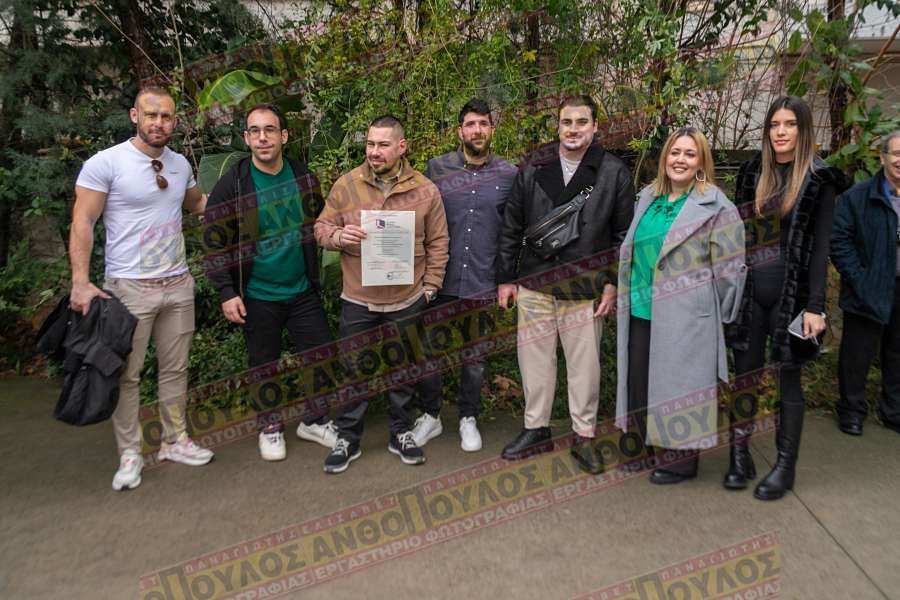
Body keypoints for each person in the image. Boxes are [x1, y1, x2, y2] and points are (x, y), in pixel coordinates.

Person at [70, 87, 213, 491]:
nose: (158, 123)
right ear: (135, 115)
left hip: (178, 284)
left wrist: (247, 199)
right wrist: (80, 281)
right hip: (128, 288)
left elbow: (198, 204)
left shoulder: (180, 163)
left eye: (166, 117)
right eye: (151, 115)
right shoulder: (106, 163)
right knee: (127, 375)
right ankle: (130, 453)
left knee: (175, 370)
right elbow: (83, 222)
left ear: (175, 121)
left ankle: (175, 441)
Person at [496, 95, 635, 474]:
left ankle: (584, 435)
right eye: (566, 122)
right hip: (535, 281)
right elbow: (512, 224)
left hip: (585, 286)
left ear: (595, 126)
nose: (573, 129)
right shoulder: (534, 165)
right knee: (534, 363)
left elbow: (623, 235)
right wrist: (506, 278)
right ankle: (535, 428)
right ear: (558, 126)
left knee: (584, 369)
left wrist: (612, 283)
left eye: (581, 122)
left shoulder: (613, 172)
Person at [726, 95, 849, 500]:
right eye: (774, 124)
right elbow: (738, 236)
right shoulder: (751, 172)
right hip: (751, 294)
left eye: (790, 125)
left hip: (792, 296)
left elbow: (820, 248)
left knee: (789, 378)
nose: (780, 132)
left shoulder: (819, 179)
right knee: (744, 376)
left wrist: (816, 306)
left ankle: (785, 466)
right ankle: (739, 456)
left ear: (803, 130)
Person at [314, 115, 449, 473]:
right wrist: (337, 237)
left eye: (383, 145)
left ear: (402, 147)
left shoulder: (425, 190)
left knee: (402, 370)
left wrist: (431, 288)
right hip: (359, 298)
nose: (374, 151)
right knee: (353, 370)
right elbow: (321, 227)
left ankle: (401, 433)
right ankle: (348, 438)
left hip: (407, 298)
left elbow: (438, 242)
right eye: (370, 144)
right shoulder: (347, 185)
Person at [204, 103, 336, 461]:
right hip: (258, 293)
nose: (263, 137)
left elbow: (319, 223)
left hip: (302, 289)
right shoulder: (233, 185)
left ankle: (314, 420)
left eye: (270, 130)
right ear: (246, 138)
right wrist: (226, 292)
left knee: (322, 353)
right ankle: (270, 426)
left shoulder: (303, 177)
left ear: (284, 135)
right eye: (255, 131)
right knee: (264, 363)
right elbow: (214, 242)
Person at [615, 127, 747, 485]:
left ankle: (680, 461)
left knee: (681, 388)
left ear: (702, 161)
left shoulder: (717, 206)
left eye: (690, 154)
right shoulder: (648, 197)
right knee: (641, 382)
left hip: (688, 315)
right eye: (675, 152)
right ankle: (643, 447)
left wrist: (715, 315)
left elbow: (730, 270)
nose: (680, 160)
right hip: (641, 307)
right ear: (664, 158)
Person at [420, 99, 517, 452]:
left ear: (493, 129)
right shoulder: (436, 169)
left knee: (474, 358)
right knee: (428, 352)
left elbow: (513, 232)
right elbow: (419, 218)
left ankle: (468, 418)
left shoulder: (509, 174)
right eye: (471, 124)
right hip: (439, 279)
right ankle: (430, 415)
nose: (477, 130)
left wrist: (508, 279)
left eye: (483, 124)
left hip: (481, 280)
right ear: (459, 130)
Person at [831, 130, 900, 436]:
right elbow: (839, 242)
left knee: (897, 353)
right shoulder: (856, 197)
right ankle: (851, 411)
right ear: (882, 158)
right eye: (896, 153)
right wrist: (860, 279)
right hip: (866, 288)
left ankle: (893, 411)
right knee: (856, 355)